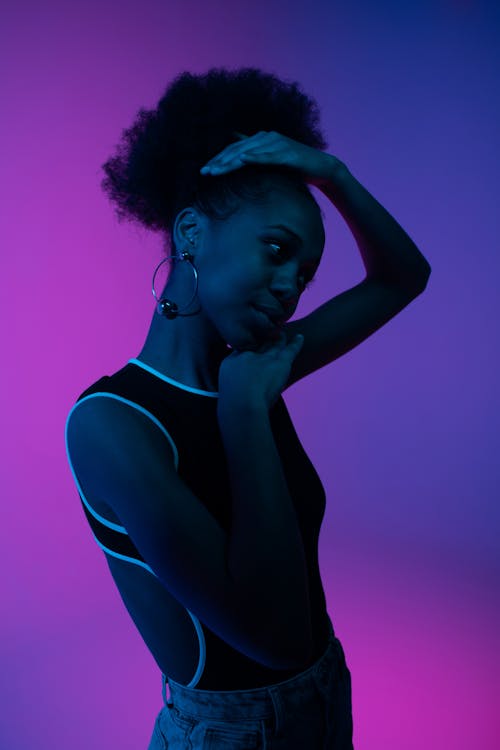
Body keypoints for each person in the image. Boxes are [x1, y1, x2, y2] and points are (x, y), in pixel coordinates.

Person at [64, 66, 431, 749]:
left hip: (324, 699)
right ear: (192, 234)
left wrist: (334, 175)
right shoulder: (111, 423)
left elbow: (402, 276)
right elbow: (275, 636)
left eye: (306, 272)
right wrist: (242, 415)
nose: (292, 285)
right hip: (232, 734)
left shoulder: (254, 369)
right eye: (278, 249)